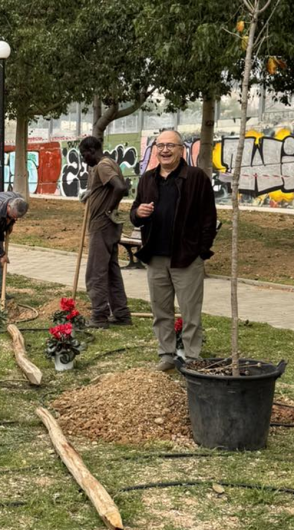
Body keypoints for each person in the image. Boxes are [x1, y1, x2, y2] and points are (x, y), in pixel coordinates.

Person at [129, 130, 217, 371]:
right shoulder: (147, 179)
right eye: (160, 145)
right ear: (155, 149)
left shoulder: (196, 178)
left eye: (170, 145)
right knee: (161, 310)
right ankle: (167, 355)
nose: (165, 150)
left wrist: (201, 250)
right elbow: (134, 214)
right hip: (155, 256)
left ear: (182, 150)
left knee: (190, 313)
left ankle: (191, 357)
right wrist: (138, 214)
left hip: (186, 257)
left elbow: (209, 218)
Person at [78, 136, 132, 328]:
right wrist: (92, 194)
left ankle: (99, 316)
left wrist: (108, 209)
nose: (84, 159)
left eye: (84, 155)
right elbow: (114, 188)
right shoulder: (108, 164)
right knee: (111, 270)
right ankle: (121, 314)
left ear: (91, 151)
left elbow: (120, 187)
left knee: (95, 272)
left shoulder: (103, 165)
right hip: (108, 225)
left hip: (103, 224)